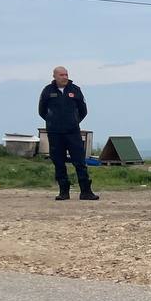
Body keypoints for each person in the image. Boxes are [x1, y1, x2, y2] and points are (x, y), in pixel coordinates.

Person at [38, 66, 98, 201]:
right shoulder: (47, 91)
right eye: (61, 75)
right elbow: (42, 111)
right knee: (58, 162)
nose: (64, 77)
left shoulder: (75, 90)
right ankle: (63, 192)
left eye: (66, 75)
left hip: (72, 132)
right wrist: (52, 122)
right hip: (55, 133)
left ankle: (86, 192)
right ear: (54, 76)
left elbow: (83, 110)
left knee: (80, 162)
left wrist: (74, 121)